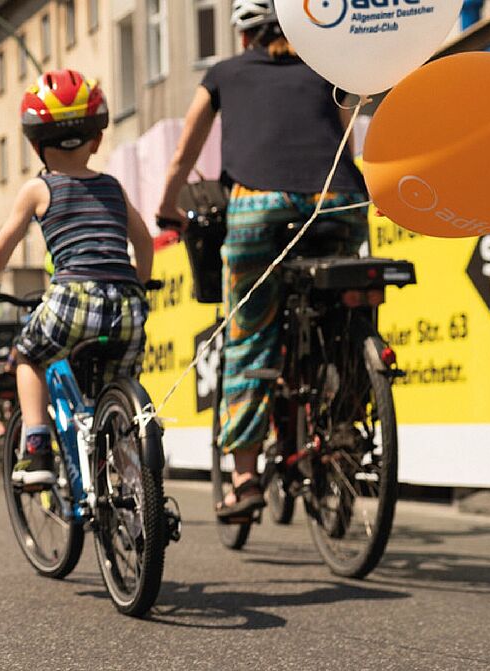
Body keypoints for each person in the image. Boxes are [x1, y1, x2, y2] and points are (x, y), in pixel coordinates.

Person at [156, 0, 369, 518]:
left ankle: (246, 478)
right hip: (338, 202)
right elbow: (347, 133)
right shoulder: (326, 68)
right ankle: (343, 418)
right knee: (344, 310)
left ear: (244, 35)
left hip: (259, 207)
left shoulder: (225, 73)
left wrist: (166, 207)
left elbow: (185, 151)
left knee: (249, 339)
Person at [0, 69, 154, 488]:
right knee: (118, 387)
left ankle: (37, 448)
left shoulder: (40, 189)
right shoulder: (113, 187)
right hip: (128, 307)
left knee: (27, 355)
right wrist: (141, 284)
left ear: (34, 143)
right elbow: (145, 242)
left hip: (72, 299)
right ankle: (135, 487)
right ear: (96, 140)